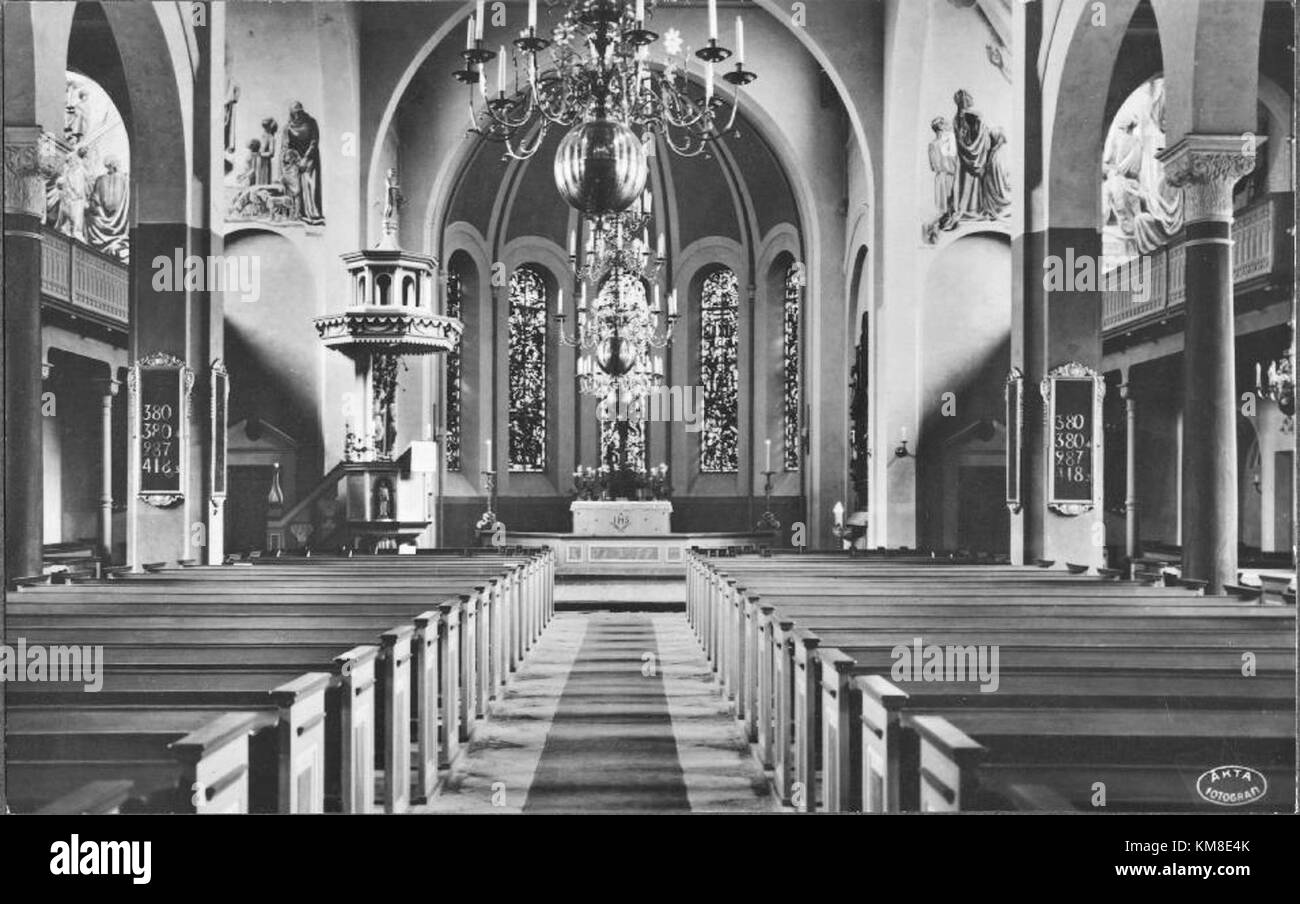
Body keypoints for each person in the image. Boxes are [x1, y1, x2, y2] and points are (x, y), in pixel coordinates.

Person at [284, 101, 323, 224]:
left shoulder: (311, 123)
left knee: (311, 185)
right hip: (295, 160)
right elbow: (286, 145)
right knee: (296, 186)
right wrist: (292, 159)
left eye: (299, 112)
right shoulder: (288, 127)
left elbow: (314, 141)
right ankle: (299, 213)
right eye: (295, 113)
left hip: (310, 158)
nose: (297, 115)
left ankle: (314, 214)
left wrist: (306, 158)